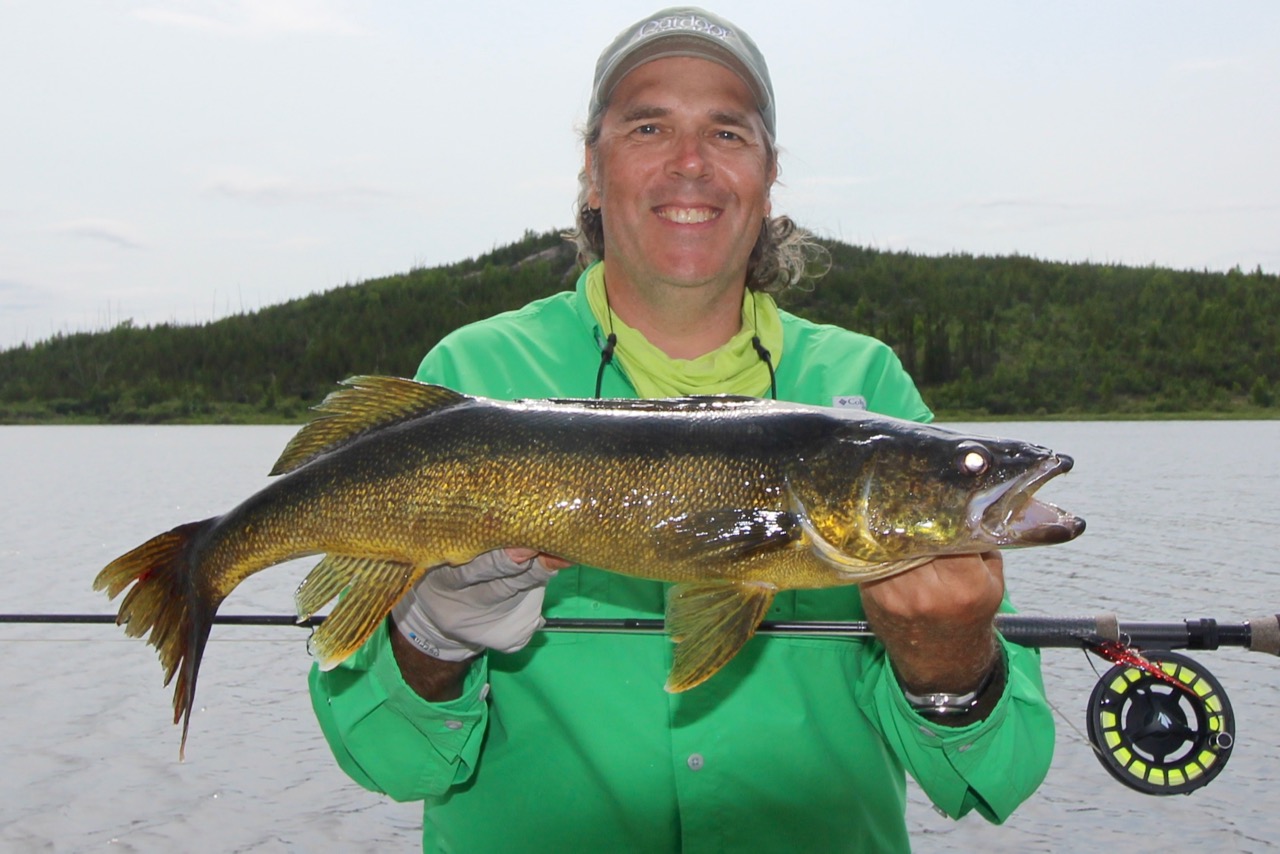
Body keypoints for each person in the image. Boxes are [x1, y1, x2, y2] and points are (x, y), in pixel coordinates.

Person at [309, 7, 1054, 852]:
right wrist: (429, 637)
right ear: (593, 168)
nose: (690, 163)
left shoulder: (867, 389)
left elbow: (995, 775)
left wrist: (949, 662)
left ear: (769, 176)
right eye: (650, 125)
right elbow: (389, 763)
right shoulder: (473, 377)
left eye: (727, 133)